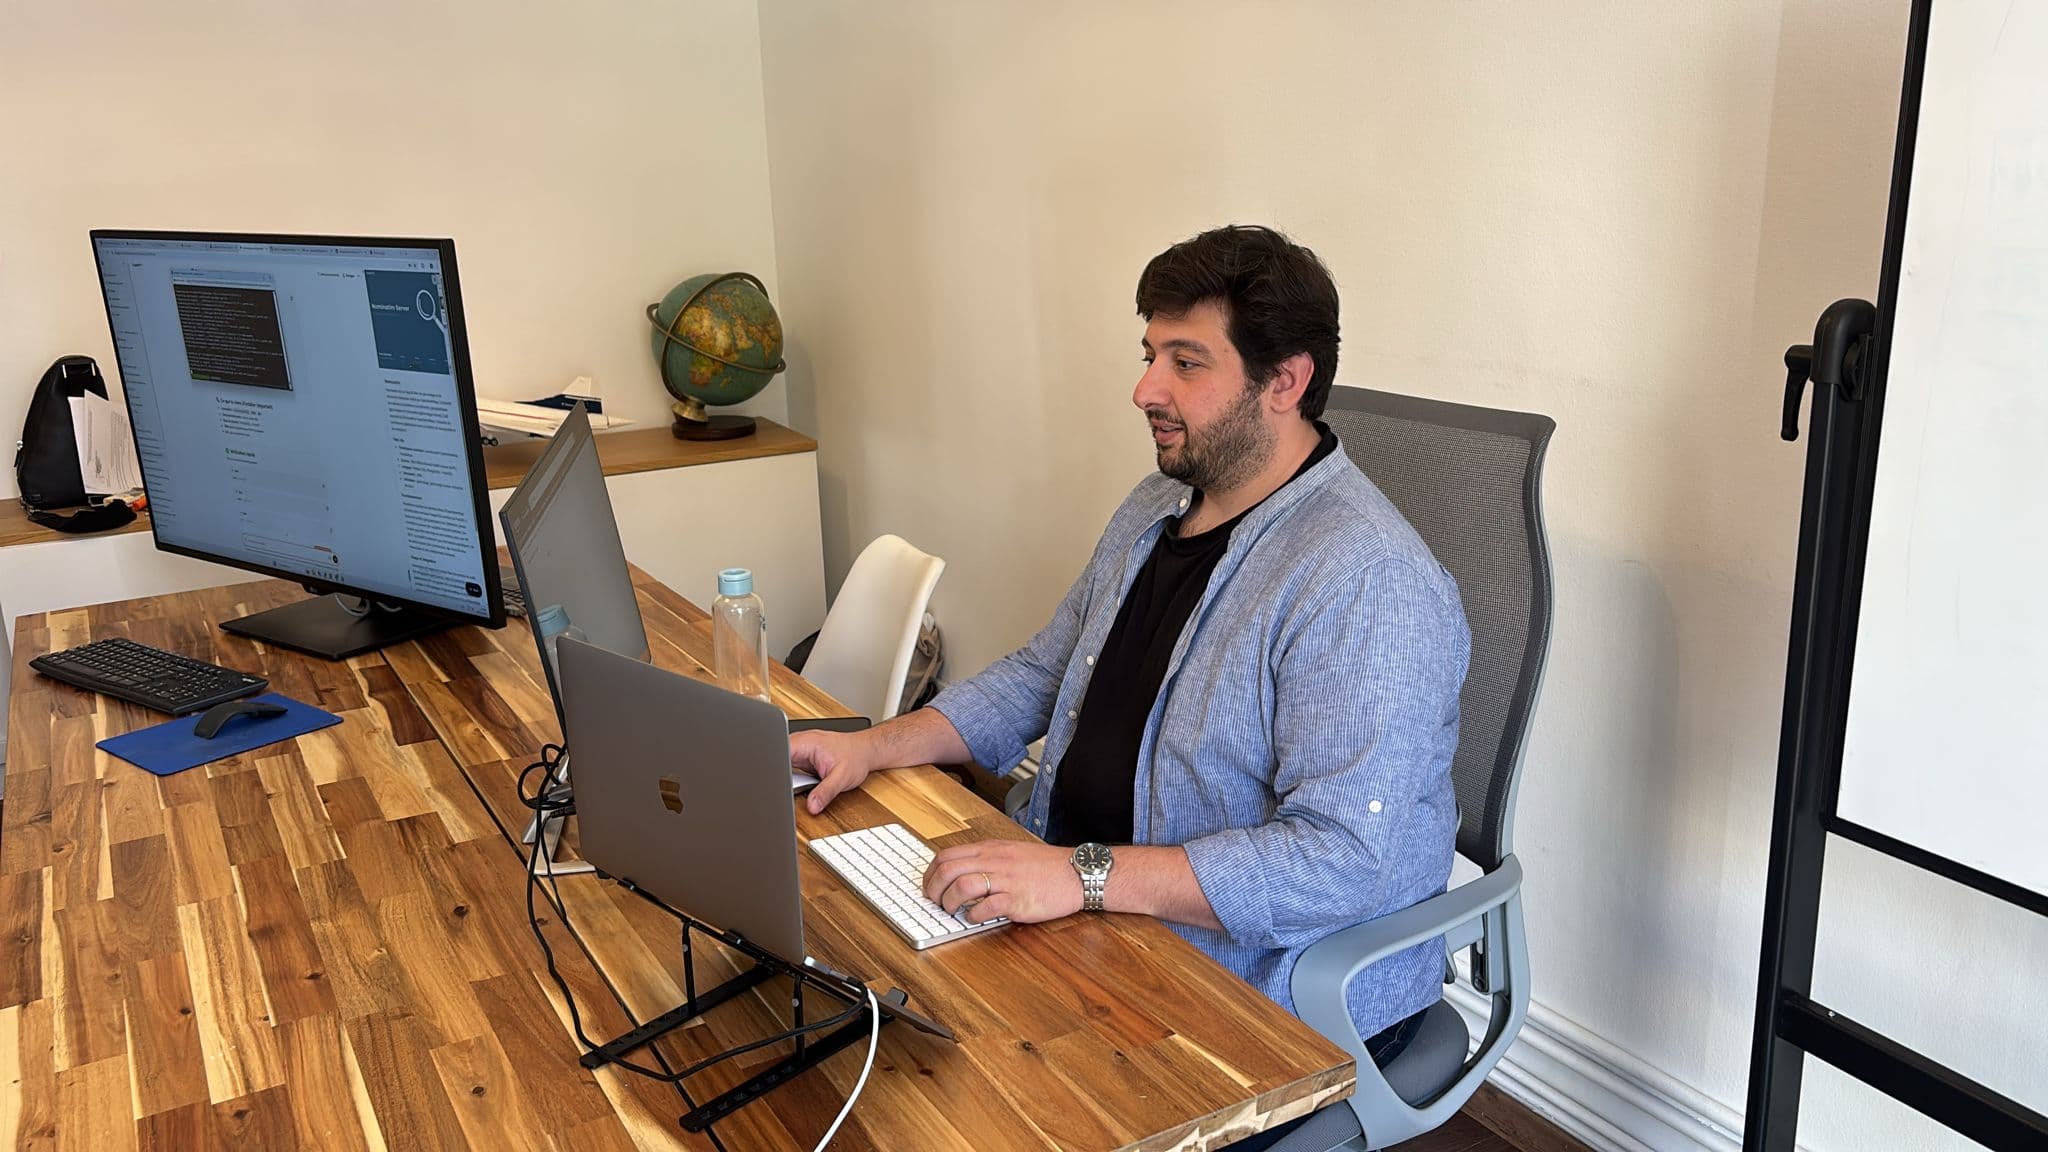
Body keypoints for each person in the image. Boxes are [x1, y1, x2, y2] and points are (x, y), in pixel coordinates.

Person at [790, 225, 1470, 1117]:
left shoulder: (1366, 582)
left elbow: (1342, 863)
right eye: (1151, 355)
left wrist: (1085, 875)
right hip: (1076, 904)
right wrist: (874, 748)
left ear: (1286, 382)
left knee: (938, 1108)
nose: (1145, 389)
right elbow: (1042, 671)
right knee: (833, 1018)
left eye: (1187, 363)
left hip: (1248, 989)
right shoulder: (1160, 504)